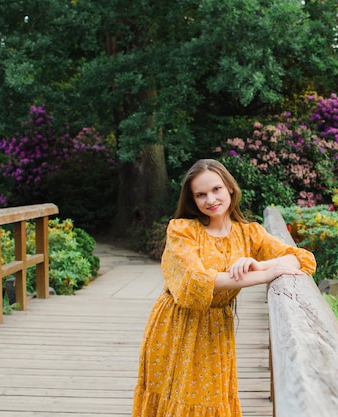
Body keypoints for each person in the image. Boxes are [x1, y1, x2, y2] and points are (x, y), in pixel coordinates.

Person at [132, 159, 316, 417]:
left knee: (210, 398)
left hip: (216, 326)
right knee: (174, 397)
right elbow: (194, 281)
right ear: (192, 199)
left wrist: (260, 265)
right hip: (176, 323)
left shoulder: (249, 233)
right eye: (201, 194)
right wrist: (263, 276)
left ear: (230, 187)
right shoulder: (183, 230)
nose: (210, 199)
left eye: (216, 189)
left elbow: (302, 258)